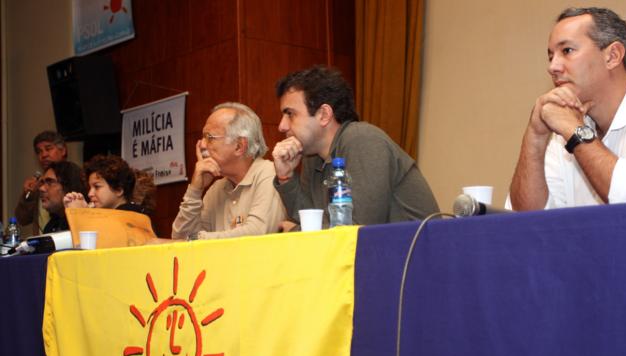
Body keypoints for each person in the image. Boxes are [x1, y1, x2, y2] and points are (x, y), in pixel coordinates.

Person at [271, 66, 439, 227]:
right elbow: (309, 223)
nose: (282, 126)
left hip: (415, 253)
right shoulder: (312, 157)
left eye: (290, 114)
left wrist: (294, 231)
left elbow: (357, 229)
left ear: (323, 115)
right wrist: (285, 177)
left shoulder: (363, 140)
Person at [509, 7, 626, 210]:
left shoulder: (570, 128)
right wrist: (536, 135)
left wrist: (576, 131)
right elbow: (527, 220)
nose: (552, 67)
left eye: (567, 51)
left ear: (612, 56)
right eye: (551, 56)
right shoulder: (564, 132)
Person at [171, 102, 286, 240]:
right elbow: (179, 241)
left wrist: (195, 240)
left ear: (239, 146)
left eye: (210, 138)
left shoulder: (269, 174)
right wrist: (196, 190)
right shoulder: (216, 188)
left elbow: (257, 234)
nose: (201, 145)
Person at [15, 130, 68, 235]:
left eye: (48, 149)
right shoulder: (37, 183)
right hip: (42, 244)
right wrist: (28, 196)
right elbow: (22, 219)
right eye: (39, 151)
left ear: (63, 151)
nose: (43, 155)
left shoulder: (75, 176)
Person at [63, 154, 152, 215]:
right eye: (90, 188)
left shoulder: (131, 213)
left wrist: (82, 215)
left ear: (118, 190)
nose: (90, 194)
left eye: (97, 187)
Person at [39, 161, 86, 234]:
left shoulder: (87, 223)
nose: (41, 188)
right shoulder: (50, 226)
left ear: (68, 185)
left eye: (50, 182)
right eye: (42, 183)